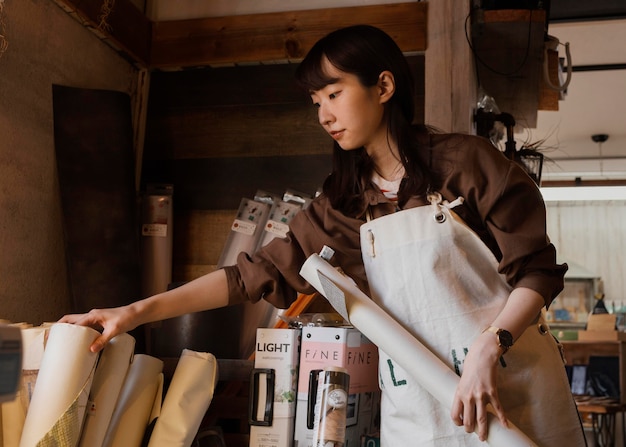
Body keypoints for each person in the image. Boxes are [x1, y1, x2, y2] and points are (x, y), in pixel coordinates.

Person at [61, 25, 586, 446]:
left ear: (383, 87)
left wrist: (487, 349)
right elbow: (251, 276)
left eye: (335, 93)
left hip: (510, 381)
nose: (325, 114)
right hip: (424, 409)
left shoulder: (466, 162)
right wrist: (132, 313)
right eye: (316, 101)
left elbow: (536, 270)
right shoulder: (343, 203)